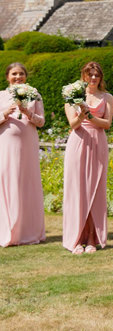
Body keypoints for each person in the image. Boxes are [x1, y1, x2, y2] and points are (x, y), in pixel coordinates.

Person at [62, 62, 113, 255]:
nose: (93, 79)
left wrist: (90, 116)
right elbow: (73, 124)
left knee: (95, 191)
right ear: (84, 76)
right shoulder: (72, 97)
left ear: (100, 78)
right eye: (90, 75)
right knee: (78, 191)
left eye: (97, 75)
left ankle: (92, 238)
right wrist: (82, 113)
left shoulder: (107, 97)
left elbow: (107, 123)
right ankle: (76, 239)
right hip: (78, 142)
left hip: (98, 143)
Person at [0, 62, 46, 247]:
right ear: (7, 77)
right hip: (6, 144)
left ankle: (27, 230)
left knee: (26, 182)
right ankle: (6, 228)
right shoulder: (1, 96)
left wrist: (28, 113)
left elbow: (41, 121)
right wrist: (5, 112)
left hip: (27, 144)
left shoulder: (34, 95)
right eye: (14, 74)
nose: (18, 77)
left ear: (26, 76)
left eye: (21, 74)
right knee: (6, 180)